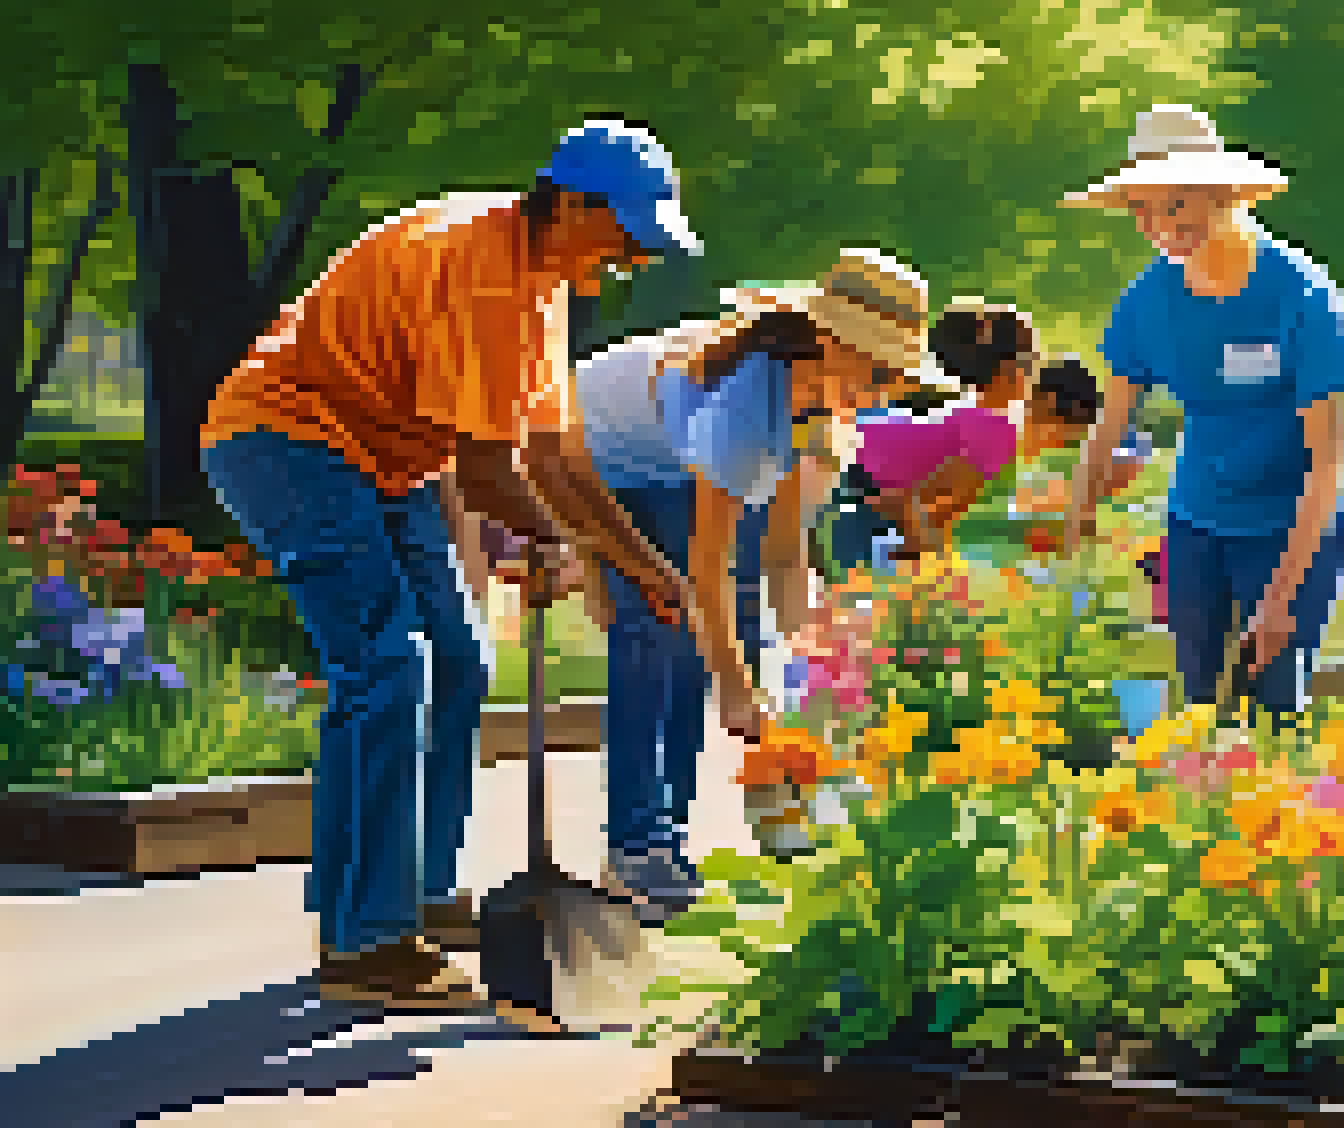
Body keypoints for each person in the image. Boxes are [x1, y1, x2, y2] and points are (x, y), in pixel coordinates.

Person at [202, 119, 702, 1010]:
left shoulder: (540, 291)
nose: (634, 257)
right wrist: (564, 546)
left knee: (462, 658)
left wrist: (641, 563)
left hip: (387, 459)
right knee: (389, 666)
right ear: (575, 203)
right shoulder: (475, 265)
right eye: (627, 233)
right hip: (287, 440)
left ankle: (418, 896)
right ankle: (368, 941)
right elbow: (488, 474)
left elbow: (556, 462)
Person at [568, 251, 940, 923]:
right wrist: (737, 686)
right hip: (588, 452)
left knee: (698, 641)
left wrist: (812, 674)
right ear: (829, 342)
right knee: (654, 637)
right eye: (877, 371)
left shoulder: (817, 416)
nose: (884, 393)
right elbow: (708, 569)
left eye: (898, 379)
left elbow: (784, 556)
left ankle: (666, 835)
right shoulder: (743, 405)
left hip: (668, 461)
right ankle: (634, 844)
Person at [1059, 104, 1344, 727]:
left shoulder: (1299, 292)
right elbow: (1111, 419)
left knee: (1271, 700)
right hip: (1198, 520)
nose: (1159, 224)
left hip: (1291, 527)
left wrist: (1282, 597)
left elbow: (1325, 461)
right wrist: (1078, 512)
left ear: (1224, 196)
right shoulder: (1149, 298)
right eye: (1143, 208)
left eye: (1176, 203)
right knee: (1203, 703)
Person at [834, 301, 1141, 563]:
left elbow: (930, 506)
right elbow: (922, 506)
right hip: (856, 470)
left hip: (863, 447)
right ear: (1013, 372)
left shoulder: (986, 418)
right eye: (1031, 366)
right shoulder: (996, 437)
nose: (1058, 446)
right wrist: (922, 564)